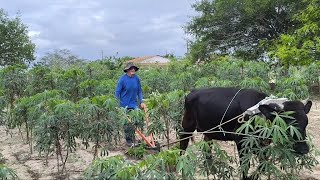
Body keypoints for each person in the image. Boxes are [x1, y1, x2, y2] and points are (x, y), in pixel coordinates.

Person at [115, 62, 146, 147]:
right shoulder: (122, 79)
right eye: (131, 68)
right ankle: (129, 141)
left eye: (134, 68)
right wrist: (116, 104)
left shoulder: (136, 78)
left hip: (134, 104)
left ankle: (133, 138)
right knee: (127, 124)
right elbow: (117, 92)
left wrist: (142, 101)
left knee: (136, 121)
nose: (133, 70)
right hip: (124, 105)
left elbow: (139, 90)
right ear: (127, 70)